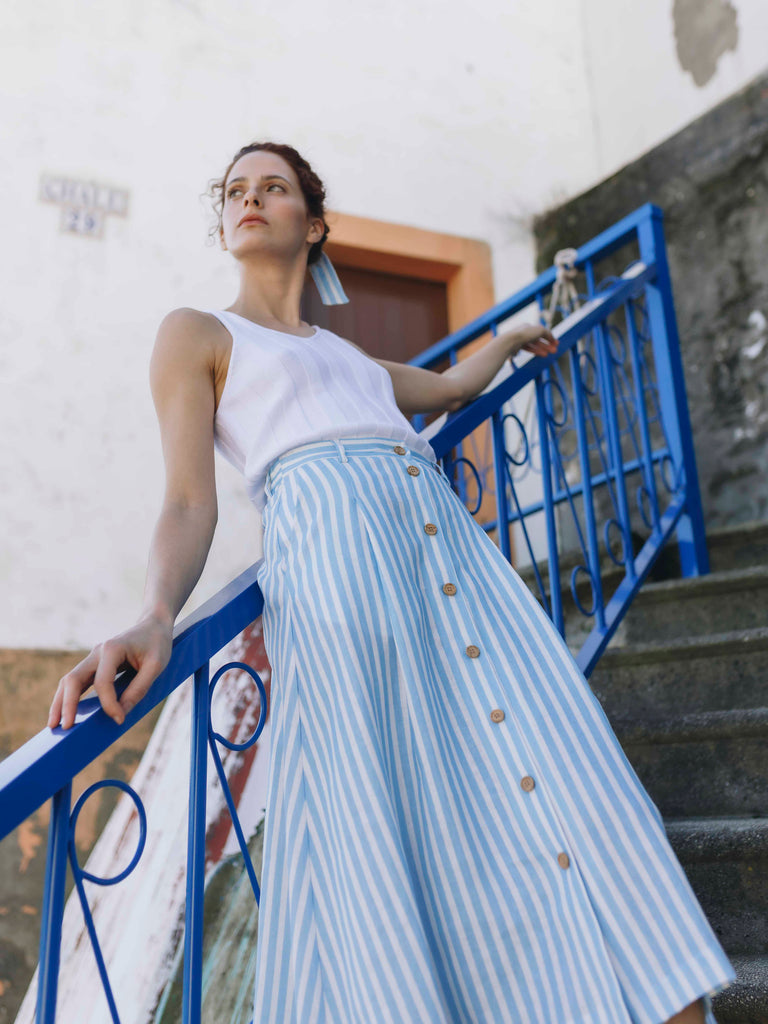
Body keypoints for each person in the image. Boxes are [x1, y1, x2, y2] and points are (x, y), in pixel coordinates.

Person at [47, 142, 736, 1024]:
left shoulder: (352, 361)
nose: (249, 199)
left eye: (274, 187)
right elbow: (189, 499)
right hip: (343, 579)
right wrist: (154, 614)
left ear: (314, 221)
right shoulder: (199, 333)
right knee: (395, 805)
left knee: (559, 762)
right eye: (233, 192)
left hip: (452, 567)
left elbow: (448, 385)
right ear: (222, 223)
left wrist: (513, 337)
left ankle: (654, 990)